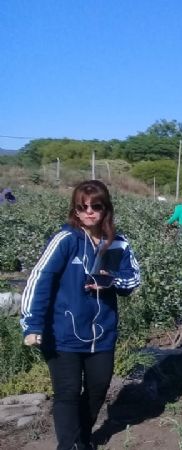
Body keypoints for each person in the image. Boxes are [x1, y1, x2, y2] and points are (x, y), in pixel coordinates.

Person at [19, 180, 141, 450]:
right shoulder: (66, 240)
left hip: (102, 334)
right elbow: (39, 280)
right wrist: (32, 324)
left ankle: (82, 439)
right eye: (82, 207)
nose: (89, 212)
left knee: (98, 390)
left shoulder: (118, 243)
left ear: (105, 208)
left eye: (95, 206)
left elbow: (133, 279)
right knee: (67, 393)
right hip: (62, 332)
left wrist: (111, 281)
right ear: (74, 210)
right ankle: (70, 445)